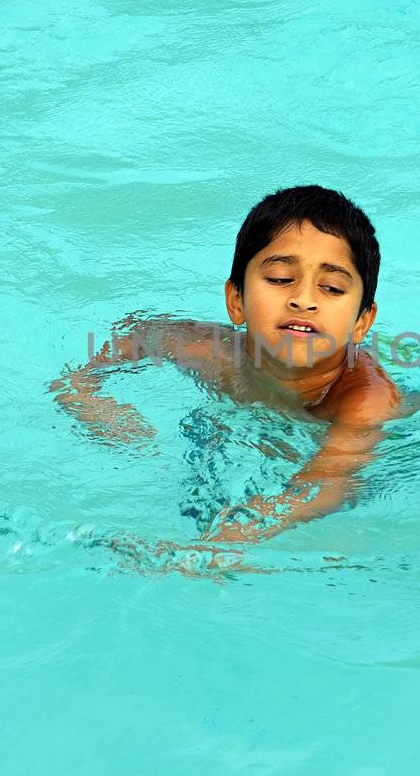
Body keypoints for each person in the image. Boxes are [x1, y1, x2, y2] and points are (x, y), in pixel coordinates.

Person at [50, 185, 402, 544]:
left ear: (361, 322)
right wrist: (88, 394)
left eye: (331, 288)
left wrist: (231, 540)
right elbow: (142, 332)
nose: (303, 299)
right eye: (281, 279)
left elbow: (329, 485)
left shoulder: (363, 400)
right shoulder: (215, 354)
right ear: (236, 300)